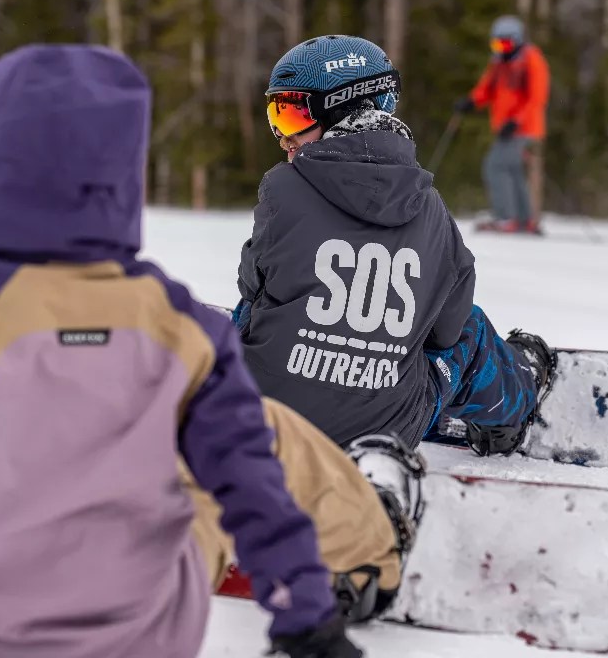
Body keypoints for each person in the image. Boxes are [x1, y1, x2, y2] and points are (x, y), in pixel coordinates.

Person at [0, 45, 414, 658]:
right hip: (132, 634)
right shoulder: (181, 324)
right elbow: (253, 492)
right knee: (255, 436)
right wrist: (306, 622)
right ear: (122, 176)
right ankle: (372, 546)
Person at [234, 34, 554, 462]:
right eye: (276, 115)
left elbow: (253, 288)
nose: (282, 137)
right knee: (470, 333)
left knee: (249, 313)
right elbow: (448, 330)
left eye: (291, 115)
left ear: (342, 106)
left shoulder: (279, 190)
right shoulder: (433, 210)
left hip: (265, 416)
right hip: (386, 428)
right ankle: (513, 403)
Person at [454, 15, 551, 235]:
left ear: (516, 40)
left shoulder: (532, 60)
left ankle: (506, 218)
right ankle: (525, 220)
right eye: (496, 43)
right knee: (512, 170)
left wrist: (516, 121)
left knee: (495, 166)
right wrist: (472, 101)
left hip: (524, 128)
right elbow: (487, 88)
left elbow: (537, 98)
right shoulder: (499, 62)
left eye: (505, 43)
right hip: (505, 128)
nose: (500, 48)